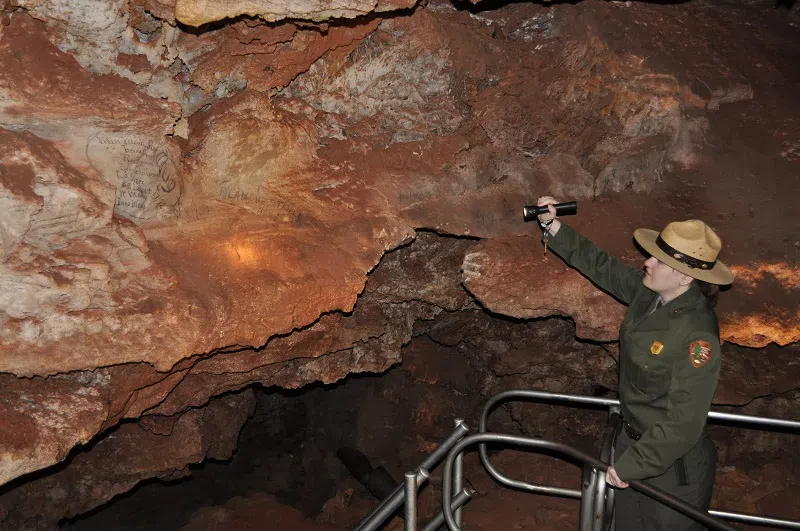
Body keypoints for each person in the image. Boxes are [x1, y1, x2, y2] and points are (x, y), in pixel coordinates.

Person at [535, 196, 734, 530]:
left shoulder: (698, 335)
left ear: (685, 278)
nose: (647, 262)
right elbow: (603, 267)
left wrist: (633, 465)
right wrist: (552, 226)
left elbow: (684, 423)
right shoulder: (651, 296)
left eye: (658, 260)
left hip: (671, 467)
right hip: (631, 443)